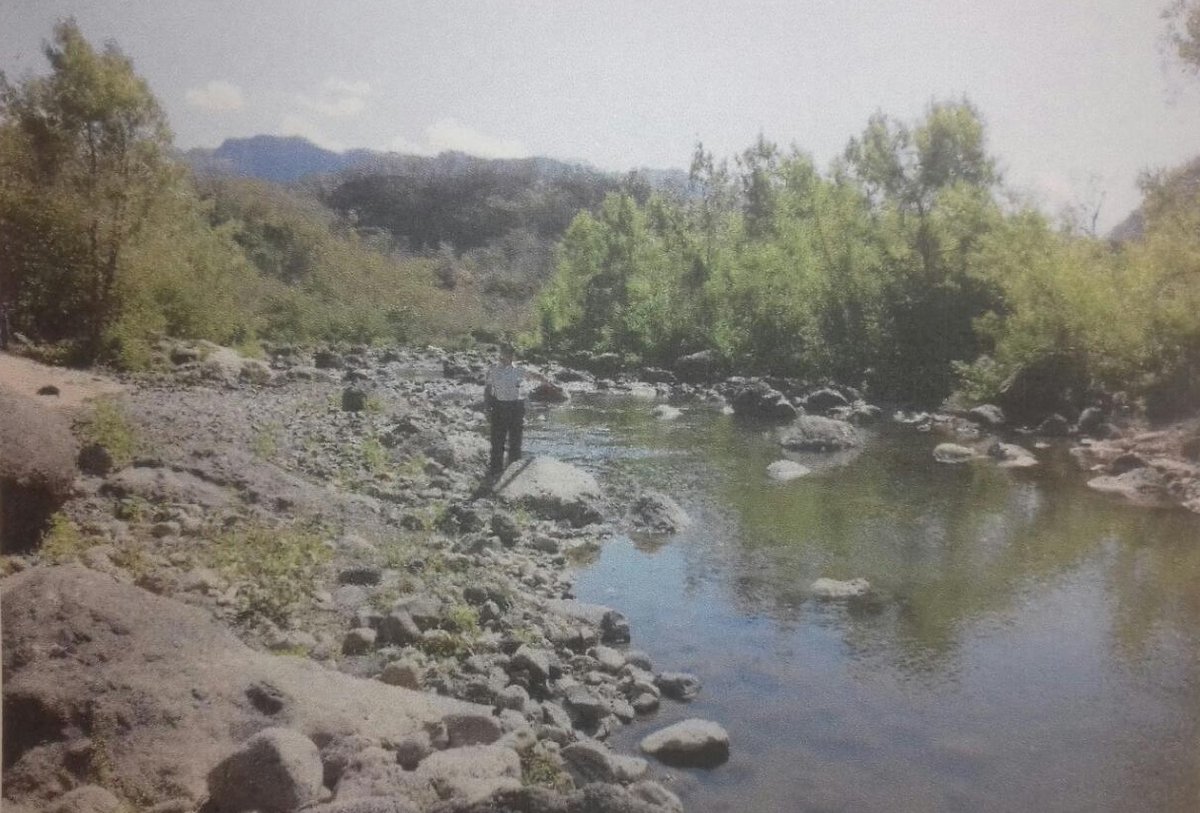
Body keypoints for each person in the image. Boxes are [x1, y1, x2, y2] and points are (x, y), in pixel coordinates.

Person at [483, 343, 549, 476]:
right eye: (505, 353)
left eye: (510, 354)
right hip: (498, 406)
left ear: (513, 356)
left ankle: (513, 470)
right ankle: (495, 471)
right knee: (497, 442)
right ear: (501, 354)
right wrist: (486, 408)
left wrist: (544, 380)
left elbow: (537, 376)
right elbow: (488, 389)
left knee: (515, 441)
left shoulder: (519, 369)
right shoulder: (493, 370)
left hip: (516, 407)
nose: (507, 356)